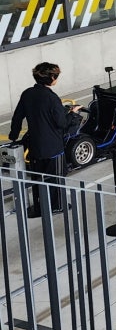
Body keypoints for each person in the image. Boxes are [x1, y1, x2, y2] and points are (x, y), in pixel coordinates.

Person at [9, 62, 82, 217]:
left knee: (38, 178)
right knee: (56, 178)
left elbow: (17, 117)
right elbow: (61, 123)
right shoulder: (52, 98)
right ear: (52, 78)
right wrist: (73, 113)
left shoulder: (27, 93)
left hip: (35, 146)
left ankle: (40, 207)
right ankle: (57, 206)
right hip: (53, 148)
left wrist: (13, 136)